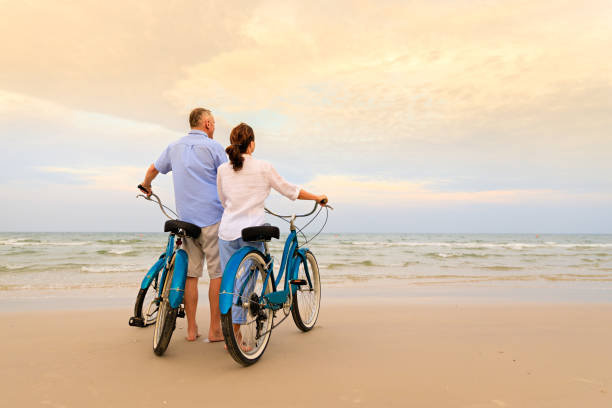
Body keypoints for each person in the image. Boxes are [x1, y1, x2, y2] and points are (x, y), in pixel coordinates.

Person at [216, 122, 327, 348]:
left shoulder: (222, 169)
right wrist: (317, 197)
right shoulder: (263, 167)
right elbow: (290, 191)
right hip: (251, 231)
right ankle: (235, 335)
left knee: (229, 283)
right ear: (252, 144)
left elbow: (223, 200)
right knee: (246, 284)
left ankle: (231, 329)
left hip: (226, 231)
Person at [140, 108, 226, 342]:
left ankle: (191, 329)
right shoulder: (214, 147)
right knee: (217, 273)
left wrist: (146, 185)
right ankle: (215, 330)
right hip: (213, 219)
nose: (214, 127)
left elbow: (152, 170)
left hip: (186, 222)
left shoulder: (174, 147)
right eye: (214, 123)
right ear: (207, 124)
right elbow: (228, 178)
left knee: (191, 275)